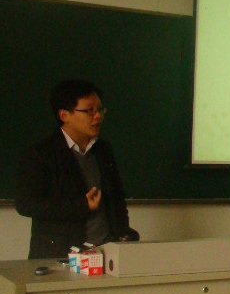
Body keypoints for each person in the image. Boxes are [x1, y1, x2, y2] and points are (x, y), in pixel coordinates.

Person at [15, 79, 139, 259]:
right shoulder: (41, 154)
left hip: (106, 253)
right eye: (89, 111)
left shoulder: (103, 150)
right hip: (61, 256)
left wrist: (123, 235)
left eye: (100, 110)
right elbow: (26, 204)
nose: (98, 116)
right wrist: (80, 205)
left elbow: (117, 198)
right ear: (64, 115)